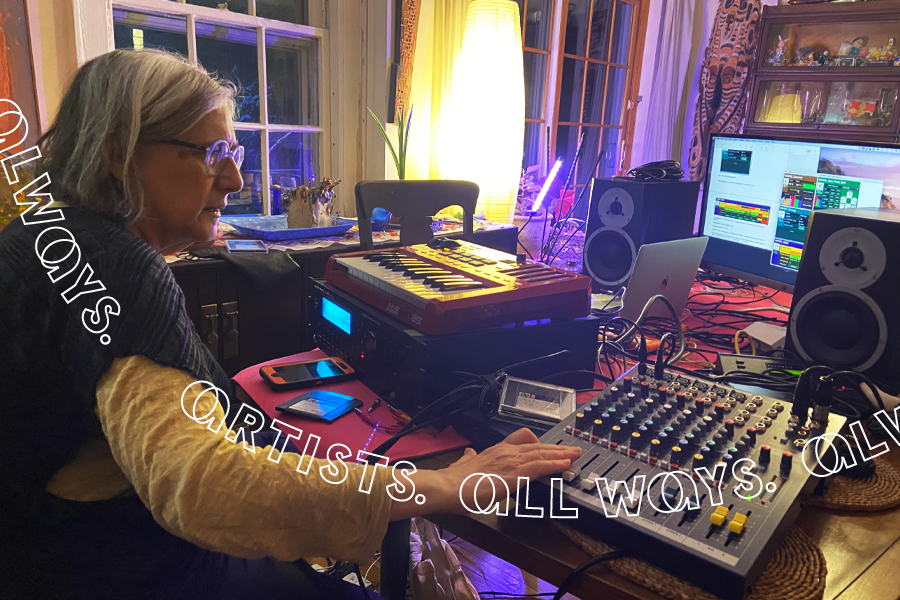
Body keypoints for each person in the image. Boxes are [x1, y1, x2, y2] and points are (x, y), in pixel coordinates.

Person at [0, 50, 581, 600]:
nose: (234, 180)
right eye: (210, 154)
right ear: (115, 154)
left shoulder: (46, 240)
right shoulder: (112, 264)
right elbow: (203, 487)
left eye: (234, 152)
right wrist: (444, 486)